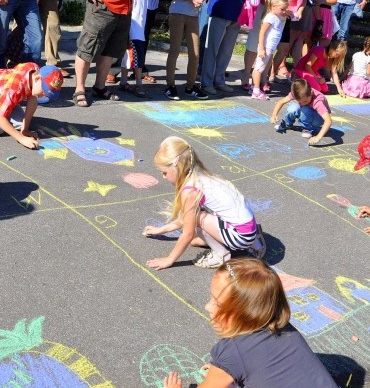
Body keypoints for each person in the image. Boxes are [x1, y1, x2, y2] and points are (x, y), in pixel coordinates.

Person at [162, 259, 338, 388]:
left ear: (245, 314)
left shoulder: (233, 351)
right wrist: (226, 370)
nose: (207, 306)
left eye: (217, 303)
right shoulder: (282, 326)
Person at [143, 136, 266, 270]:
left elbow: (188, 232)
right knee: (196, 240)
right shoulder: (203, 176)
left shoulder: (190, 191)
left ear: (177, 167)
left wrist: (169, 260)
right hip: (249, 228)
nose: (163, 176)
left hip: (241, 236)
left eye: (164, 172)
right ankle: (255, 244)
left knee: (196, 221)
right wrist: (162, 230)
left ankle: (221, 254)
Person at [0, 63, 63, 149]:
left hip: (2, 95)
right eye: (44, 90)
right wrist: (21, 139)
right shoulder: (15, 88)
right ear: (37, 79)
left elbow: (32, 102)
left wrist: (24, 130)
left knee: (20, 124)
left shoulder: (35, 72)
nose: (44, 95)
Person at [162, 0, 208, 100]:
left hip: (193, 15)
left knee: (195, 54)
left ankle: (190, 86)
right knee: (174, 50)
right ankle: (170, 85)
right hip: (177, 13)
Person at [259, 0, 309, 86]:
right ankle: (262, 79)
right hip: (271, 15)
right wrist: (277, 10)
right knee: (268, 48)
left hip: (285, 16)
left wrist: (299, 10)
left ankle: (271, 74)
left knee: (283, 48)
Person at [119, 0, 155, 98]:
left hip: (139, 30)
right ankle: (139, 83)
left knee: (128, 57)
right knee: (135, 57)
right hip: (133, 31)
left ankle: (123, 82)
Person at [271, 78, 333, 145]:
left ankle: (309, 129)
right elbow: (281, 102)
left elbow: (328, 121)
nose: (302, 103)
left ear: (311, 93)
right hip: (309, 112)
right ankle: (287, 124)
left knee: (305, 109)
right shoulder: (297, 93)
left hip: (318, 118)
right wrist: (274, 115)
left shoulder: (317, 101)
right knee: (293, 108)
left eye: (305, 101)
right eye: (299, 101)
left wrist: (318, 137)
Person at [250, 0, 289, 100]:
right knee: (259, 68)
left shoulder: (278, 17)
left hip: (270, 48)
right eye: (282, 9)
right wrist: (262, 48)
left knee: (261, 68)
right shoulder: (270, 17)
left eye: (285, 9)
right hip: (265, 47)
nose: (284, 12)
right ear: (273, 6)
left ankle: (255, 87)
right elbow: (262, 33)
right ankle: (256, 90)